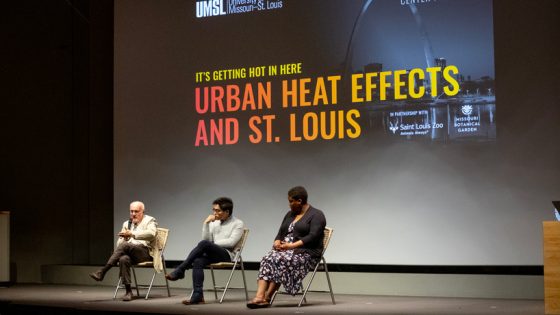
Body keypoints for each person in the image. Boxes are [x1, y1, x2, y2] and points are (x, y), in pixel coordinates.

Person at [247, 186, 326, 309]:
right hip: (285, 250)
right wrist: (277, 241)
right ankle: (260, 296)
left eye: (291, 201)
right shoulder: (290, 214)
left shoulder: (317, 214)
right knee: (267, 258)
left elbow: (313, 236)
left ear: (299, 201)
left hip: (306, 252)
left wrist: (292, 246)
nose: (289, 204)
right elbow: (281, 232)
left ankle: (268, 296)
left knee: (281, 259)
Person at [165, 197, 244, 305]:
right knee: (198, 261)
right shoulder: (215, 223)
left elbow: (231, 243)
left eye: (218, 210)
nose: (214, 213)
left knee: (204, 244)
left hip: (227, 255)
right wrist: (206, 223)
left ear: (227, 212)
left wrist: (211, 244)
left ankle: (181, 269)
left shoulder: (238, 223)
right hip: (213, 253)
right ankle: (198, 295)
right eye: (213, 210)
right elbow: (206, 240)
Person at [89, 201, 159, 301]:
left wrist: (132, 234)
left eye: (136, 211)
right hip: (130, 252)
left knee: (125, 246)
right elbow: (119, 245)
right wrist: (125, 238)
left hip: (145, 252)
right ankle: (128, 292)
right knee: (123, 258)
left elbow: (151, 234)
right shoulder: (127, 223)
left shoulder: (150, 220)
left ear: (142, 211)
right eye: (131, 211)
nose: (133, 214)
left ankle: (103, 271)